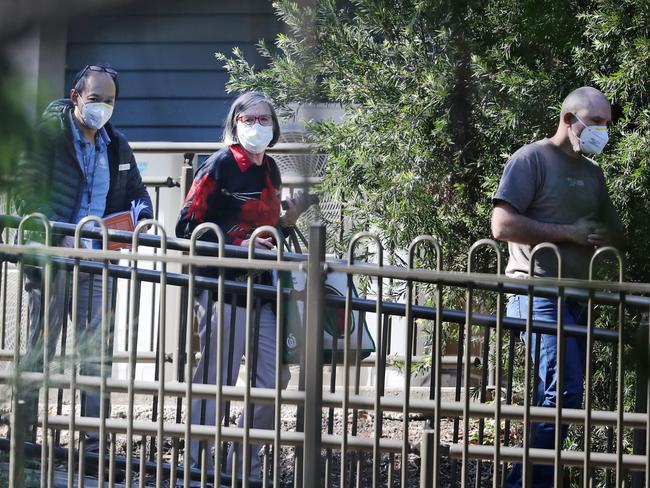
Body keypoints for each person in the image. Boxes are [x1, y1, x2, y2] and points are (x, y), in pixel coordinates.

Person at [491, 86, 624, 487]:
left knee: (561, 397)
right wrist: (570, 233)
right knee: (563, 394)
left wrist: (607, 237)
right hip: (536, 293)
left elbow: (612, 234)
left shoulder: (592, 173)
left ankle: (527, 479)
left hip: (578, 299)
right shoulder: (531, 159)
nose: (603, 131)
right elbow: (500, 225)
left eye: (606, 125)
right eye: (596, 123)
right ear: (569, 120)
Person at [15, 64, 153, 445]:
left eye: (109, 101)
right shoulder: (48, 137)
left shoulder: (117, 144)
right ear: (76, 97)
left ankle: (93, 442)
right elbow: (27, 193)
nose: (102, 107)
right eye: (95, 99)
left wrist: (140, 218)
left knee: (96, 357)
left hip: (97, 264)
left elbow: (137, 193)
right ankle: (24, 437)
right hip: (53, 260)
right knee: (41, 347)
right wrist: (59, 235)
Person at [176, 92, 302, 483]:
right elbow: (186, 227)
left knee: (274, 380)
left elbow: (270, 231)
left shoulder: (272, 170)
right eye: (250, 119)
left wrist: (289, 219)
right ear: (235, 123)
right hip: (222, 287)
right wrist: (237, 245)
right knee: (217, 378)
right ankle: (195, 469)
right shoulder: (219, 164)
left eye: (266, 119)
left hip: (263, 290)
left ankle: (239, 466)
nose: (259, 126)